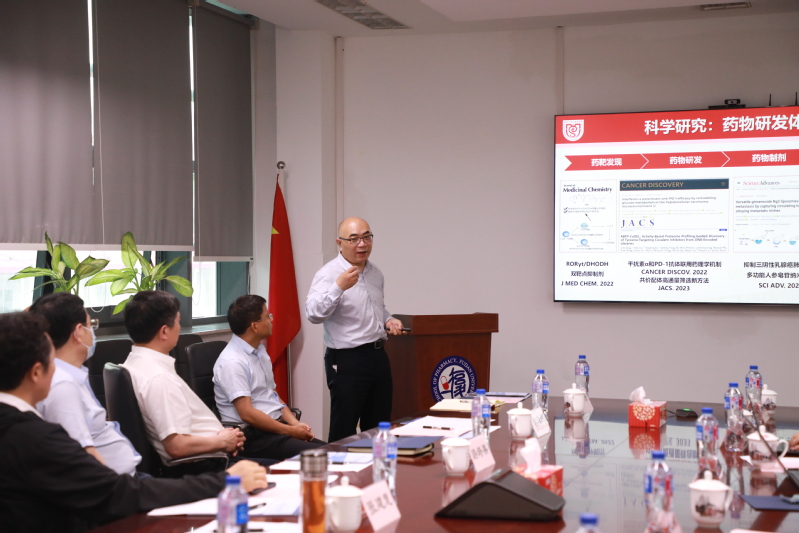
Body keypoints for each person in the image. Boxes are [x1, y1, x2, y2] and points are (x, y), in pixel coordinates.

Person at [0, 311, 267, 533]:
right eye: (52, 362)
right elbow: (118, 494)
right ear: (36, 372)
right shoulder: (34, 438)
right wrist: (226, 482)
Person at [121, 290, 247, 476]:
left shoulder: (134, 363)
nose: (179, 328)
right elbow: (176, 446)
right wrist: (223, 442)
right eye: (178, 322)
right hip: (206, 468)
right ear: (164, 331)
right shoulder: (158, 377)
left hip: (210, 458)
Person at [305, 217, 407, 442]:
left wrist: (389, 320)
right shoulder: (328, 274)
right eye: (354, 239)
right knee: (344, 428)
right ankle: (339, 466)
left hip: (378, 355)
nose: (362, 244)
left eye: (366, 237)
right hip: (347, 360)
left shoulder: (375, 272)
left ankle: (377, 464)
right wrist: (338, 287)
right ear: (339, 243)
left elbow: (377, 308)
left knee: (379, 426)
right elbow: (313, 314)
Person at [28, 293, 141, 475]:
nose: (92, 332)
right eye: (91, 325)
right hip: (114, 485)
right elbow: (81, 459)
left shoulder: (69, 375)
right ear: (79, 332)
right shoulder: (62, 385)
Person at [214, 294, 326, 460]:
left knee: (335, 450)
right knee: (327, 457)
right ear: (255, 326)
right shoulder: (232, 362)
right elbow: (247, 414)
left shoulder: (259, 351)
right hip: (253, 437)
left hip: (274, 428)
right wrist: (290, 430)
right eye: (267, 316)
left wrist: (295, 424)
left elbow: (272, 394)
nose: (272, 320)